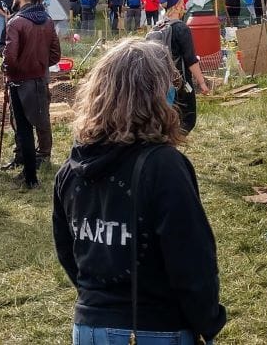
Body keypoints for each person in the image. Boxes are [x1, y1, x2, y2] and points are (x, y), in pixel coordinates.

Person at [52, 38, 226, 345]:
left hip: (90, 327)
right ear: (157, 95)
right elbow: (192, 259)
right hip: (155, 327)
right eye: (170, 83)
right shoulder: (163, 166)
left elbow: (70, 251)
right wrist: (208, 322)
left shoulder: (71, 169)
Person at [2, 0, 59, 189]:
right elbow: (55, 55)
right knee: (40, 120)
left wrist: (14, 71)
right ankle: (29, 170)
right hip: (39, 78)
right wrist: (39, 65)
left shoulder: (16, 22)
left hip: (20, 80)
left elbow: (10, 56)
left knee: (25, 127)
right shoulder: (48, 20)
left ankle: (30, 176)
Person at [148, 3, 211, 134]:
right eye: (182, 4)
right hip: (180, 81)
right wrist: (202, 83)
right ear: (176, 6)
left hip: (159, 80)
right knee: (188, 118)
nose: (184, 7)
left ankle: (164, 139)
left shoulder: (157, 27)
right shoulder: (181, 28)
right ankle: (172, 142)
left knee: (164, 114)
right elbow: (191, 60)